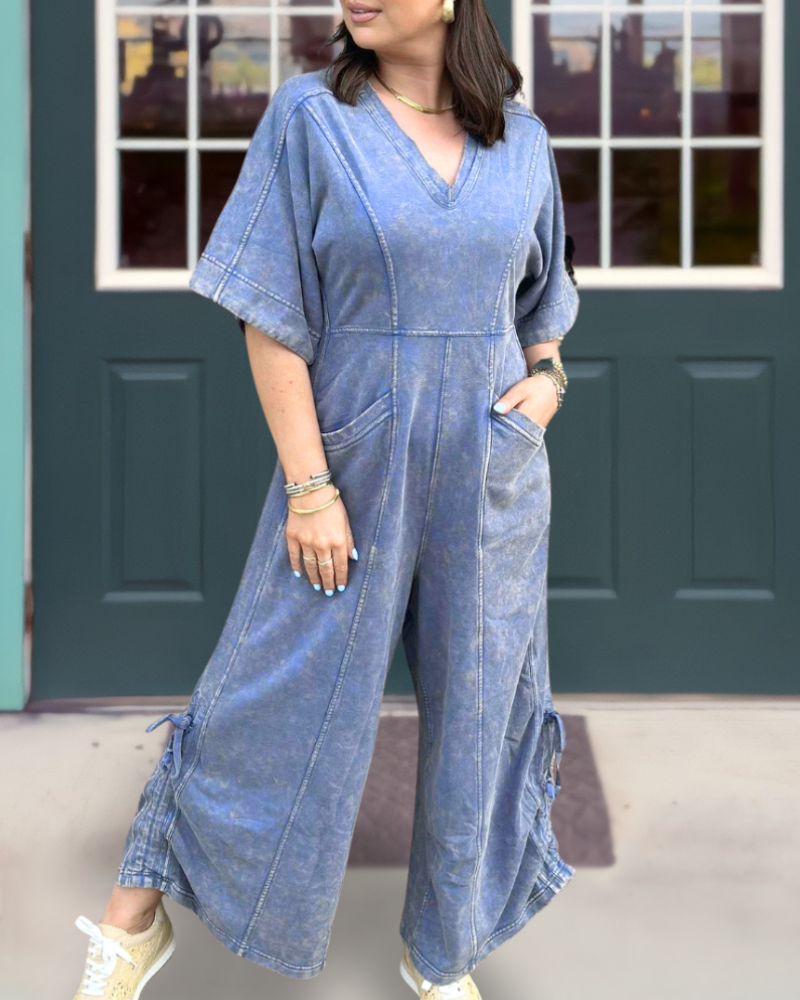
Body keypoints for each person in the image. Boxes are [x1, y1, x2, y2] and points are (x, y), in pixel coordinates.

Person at [70, 0, 580, 997]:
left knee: (485, 713)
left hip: (490, 471)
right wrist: (309, 488)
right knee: (270, 695)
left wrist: (549, 380)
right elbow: (270, 313)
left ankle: (443, 951)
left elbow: (541, 301)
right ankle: (136, 915)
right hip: (348, 468)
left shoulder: (521, 140)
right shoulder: (310, 119)